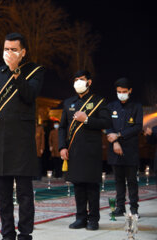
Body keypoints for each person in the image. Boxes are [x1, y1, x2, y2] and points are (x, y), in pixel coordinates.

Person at [0, 32, 44, 240]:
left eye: (13, 50)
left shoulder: (34, 71)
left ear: (23, 52)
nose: (9, 53)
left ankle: (25, 233)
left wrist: (16, 72)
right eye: (6, 49)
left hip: (22, 140)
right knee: (3, 194)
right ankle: (7, 233)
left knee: (25, 194)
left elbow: (29, 95)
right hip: (0, 140)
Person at [58, 70, 111, 231]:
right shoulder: (68, 103)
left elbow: (106, 122)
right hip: (73, 151)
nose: (78, 83)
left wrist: (87, 119)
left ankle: (93, 219)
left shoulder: (99, 101)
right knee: (78, 186)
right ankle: (80, 218)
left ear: (89, 82)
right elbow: (62, 127)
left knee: (92, 186)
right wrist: (62, 146)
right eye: (75, 80)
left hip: (91, 150)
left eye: (81, 79)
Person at [106, 78, 143, 216]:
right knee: (118, 181)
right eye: (119, 92)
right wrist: (114, 141)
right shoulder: (111, 107)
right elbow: (107, 126)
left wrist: (119, 135)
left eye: (124, 92)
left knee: (132, 181)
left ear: (130, 91)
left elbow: (138, 127)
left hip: (130, 150)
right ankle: (120, 208)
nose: (121, 94)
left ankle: (134, 209)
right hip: (114, 149)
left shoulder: (136, 107)